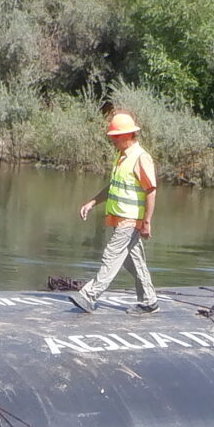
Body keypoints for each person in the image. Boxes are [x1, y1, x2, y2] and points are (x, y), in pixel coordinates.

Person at [72, 107, 159, 312]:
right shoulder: (121, 157)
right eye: (113, 136)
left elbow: (151, 190)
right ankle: (149, 301)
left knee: (111, 255)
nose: (113, 140)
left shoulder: (140, 157)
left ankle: (89, 295)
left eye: (117, 136)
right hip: (120, 219)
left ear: (129, 134)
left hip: (130, 221)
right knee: (133, 261)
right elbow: (114, 187)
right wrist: (92, 202)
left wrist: (147, 221)